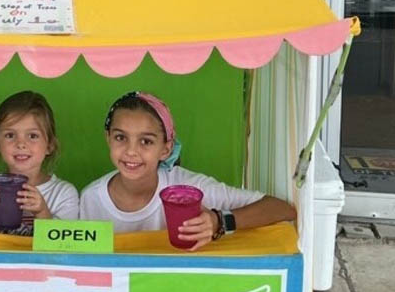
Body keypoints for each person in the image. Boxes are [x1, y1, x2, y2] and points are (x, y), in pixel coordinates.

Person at [79, 91, 295, 250]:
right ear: (108, 138)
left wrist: (219, 221)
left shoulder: (190, 188)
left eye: (146, 141)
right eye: (120, 137)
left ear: (166, 149)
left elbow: (282, 208)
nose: (131, 151)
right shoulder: (90, 198)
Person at [0, 91, 78, 235]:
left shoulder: (63, 193)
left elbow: (64, 249)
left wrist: (42, 212)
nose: (21, 144)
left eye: (32, 136)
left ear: (49, 145)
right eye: (10, 135)